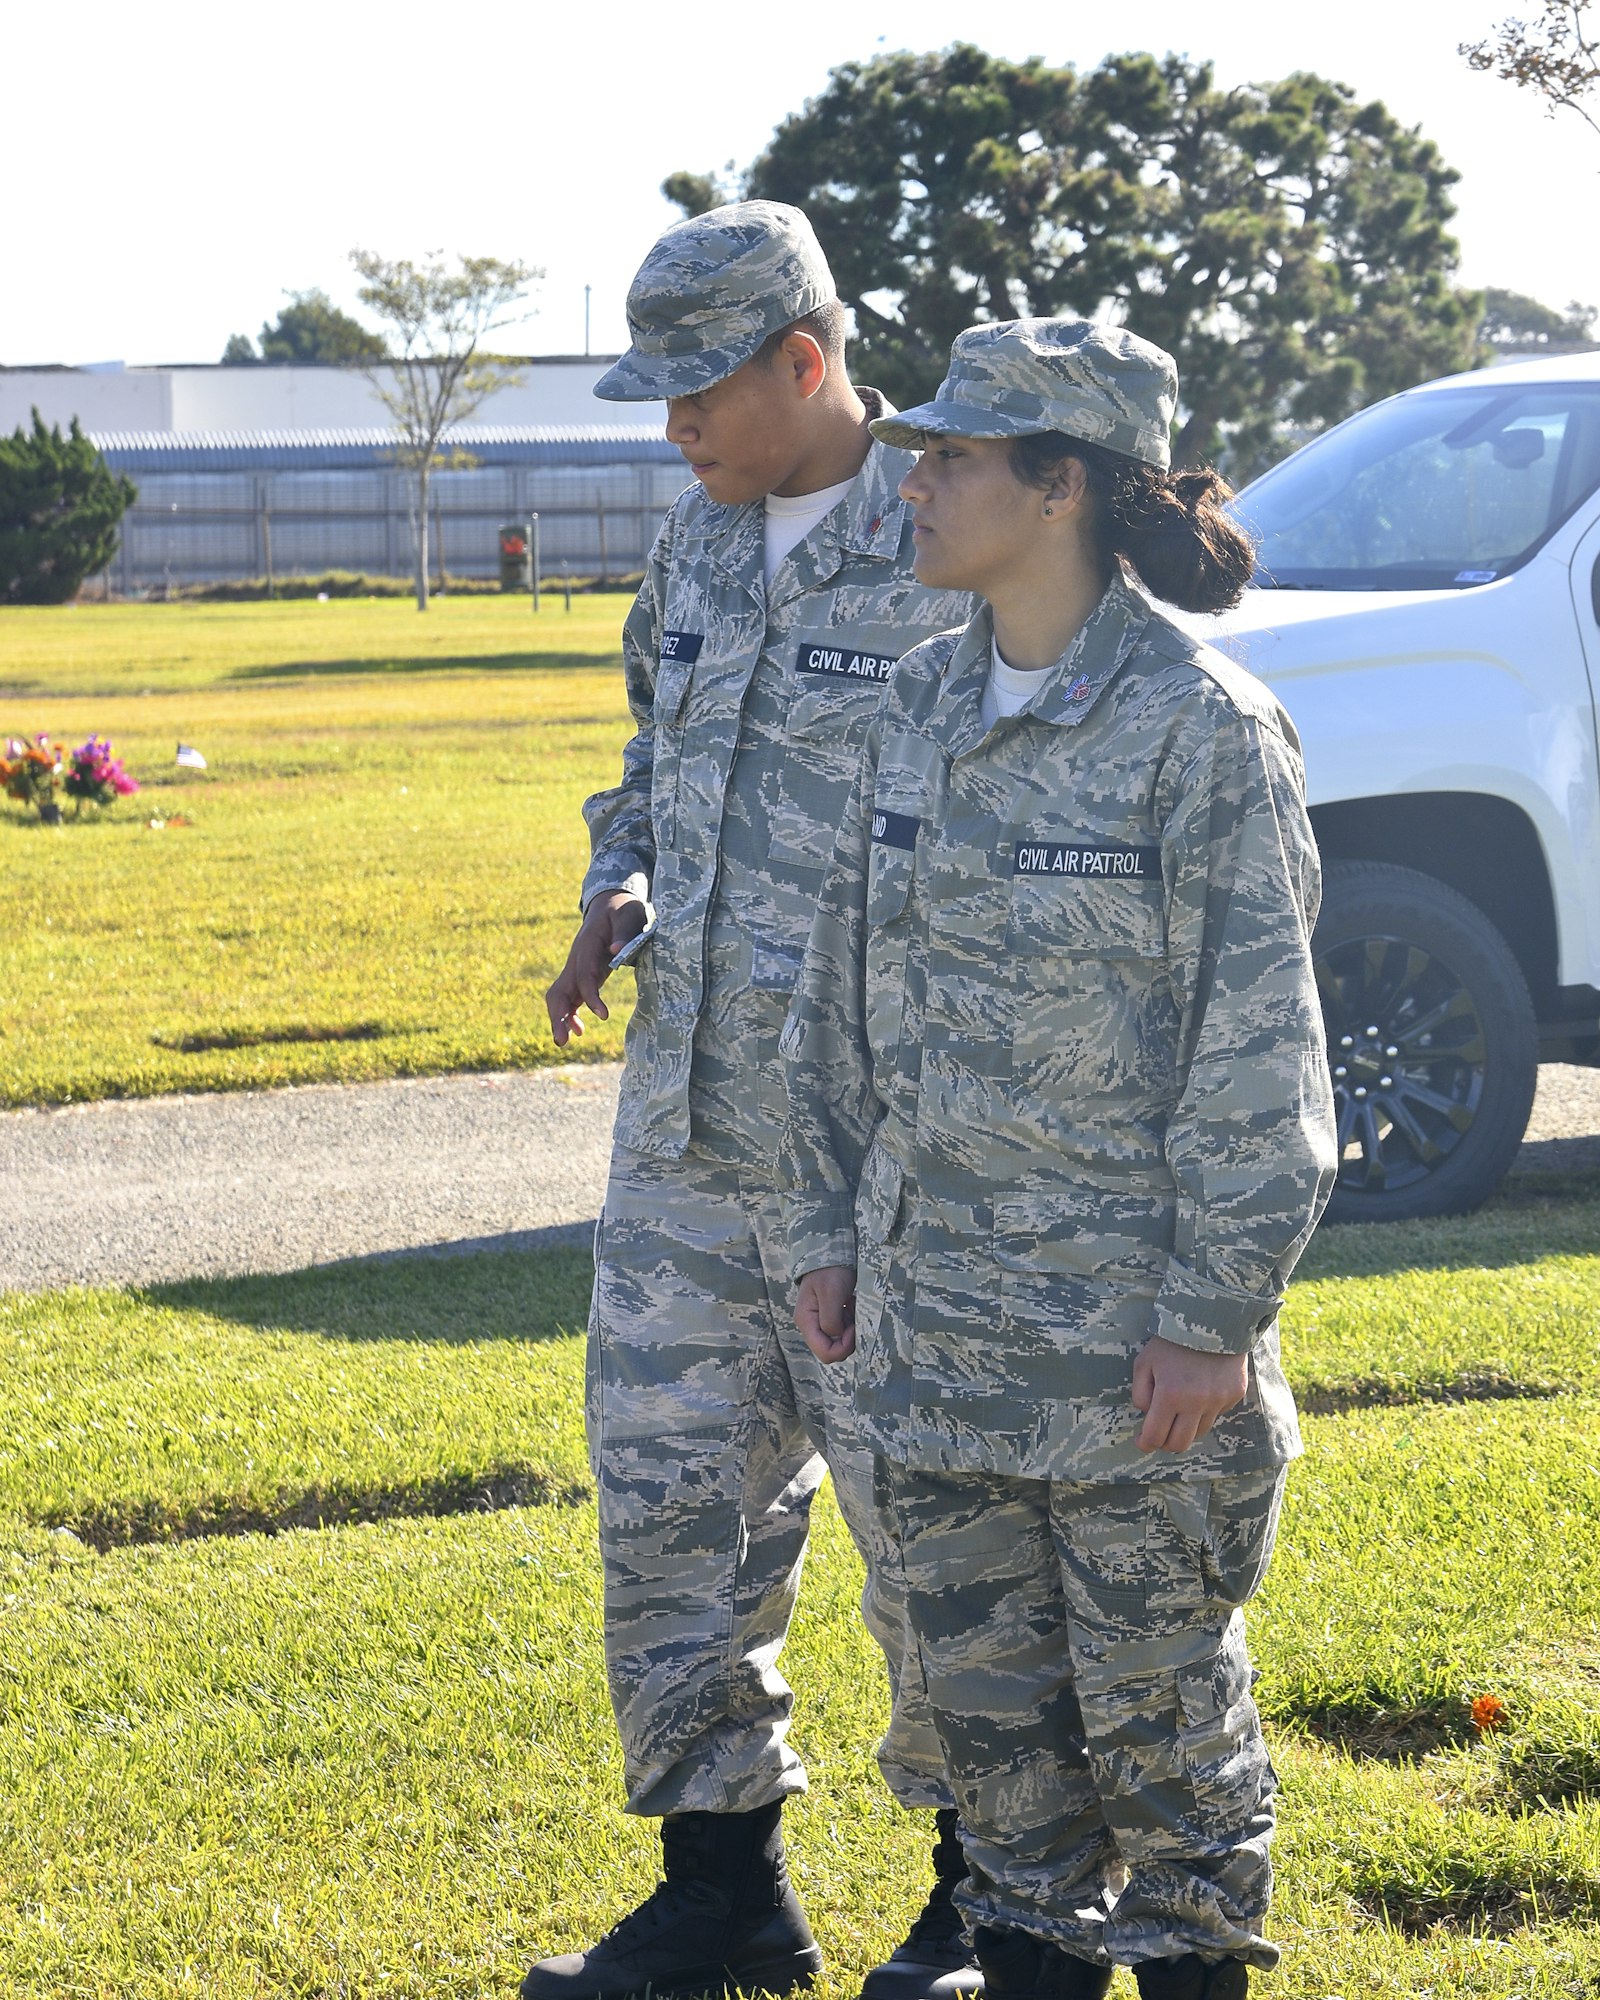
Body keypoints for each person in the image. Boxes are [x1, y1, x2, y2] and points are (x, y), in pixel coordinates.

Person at [780, 319, 1338, 2000]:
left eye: (954, 456)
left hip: (1129, 1362)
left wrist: (1210, 1314)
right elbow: (838, 993)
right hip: (935, 1339)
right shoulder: (920, 707)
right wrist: (821, 1228)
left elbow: (1261, 1052)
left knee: (1164, 1740)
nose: (917, 477)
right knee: (999, 1749)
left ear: (1063, 484)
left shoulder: (1200, 730)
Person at [527, 201, 979, 2000]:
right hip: (687, 1129)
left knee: (929, 1520)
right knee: (667, 1507)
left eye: (700, 392)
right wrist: (615, 881)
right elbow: (650, 751)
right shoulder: (694, 553)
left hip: (884, 1150)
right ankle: (723, 1888)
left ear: (808, 360)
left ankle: (982, 1892)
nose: (673, 431)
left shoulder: (957, 531)